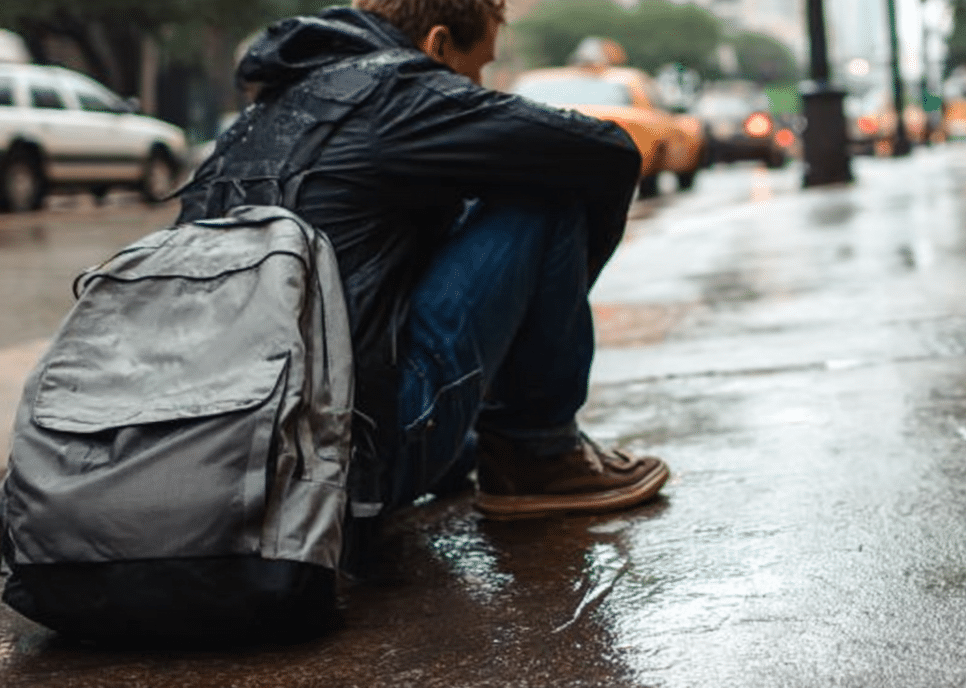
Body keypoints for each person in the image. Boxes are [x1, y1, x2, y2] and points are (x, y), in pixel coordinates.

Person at [176, 0, 670, 523]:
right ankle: (538, 454)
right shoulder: (401, 93)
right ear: (437, 45)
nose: (481, 86)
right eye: (478, 71)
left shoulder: (256, 122)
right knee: (549, 187)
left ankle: (470, 443)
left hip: (235, 462)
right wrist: (546, 312)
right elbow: (608, 152)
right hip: (358, 464)